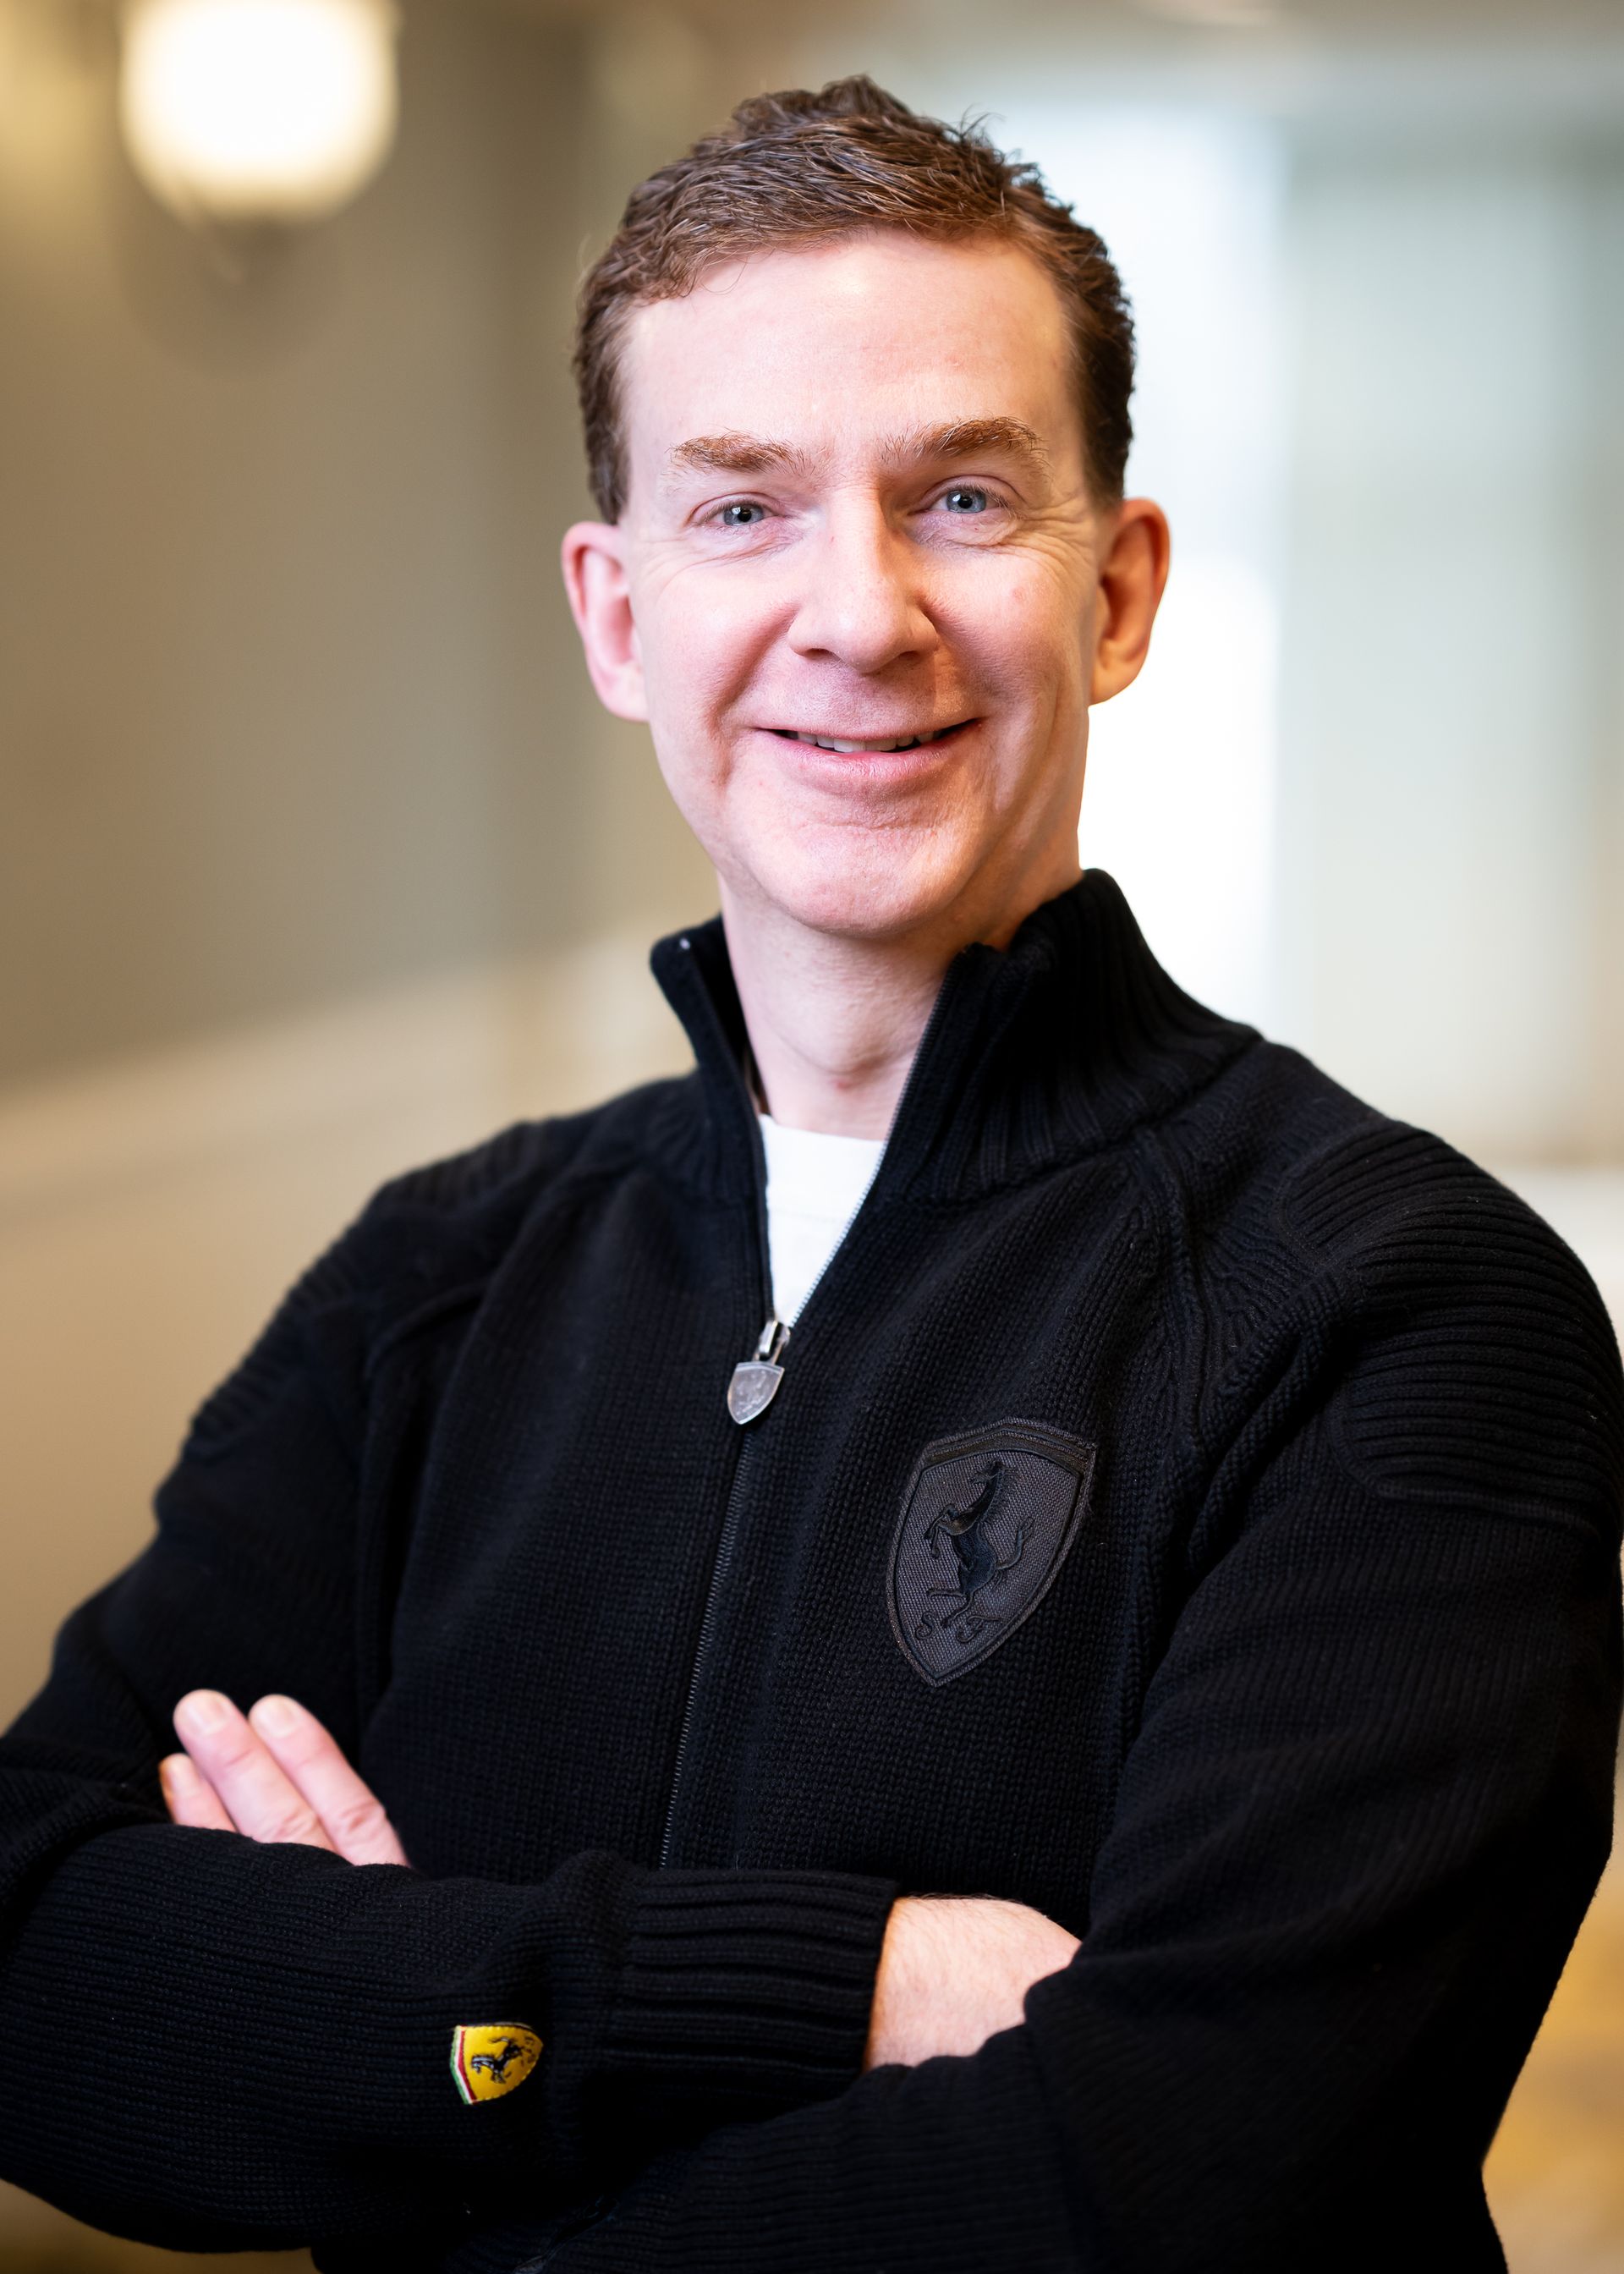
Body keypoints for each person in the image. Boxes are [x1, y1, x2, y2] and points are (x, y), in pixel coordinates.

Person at [0, 76, 1619, 2274]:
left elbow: (1196, 2172)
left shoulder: (1406, 1305)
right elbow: (31, 1956)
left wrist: (404, 2042)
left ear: (1120, 593)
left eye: (961, 495)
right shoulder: (435, 1284)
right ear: (615, 611)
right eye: (743, 508)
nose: (860, 614)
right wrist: (838, 1989)